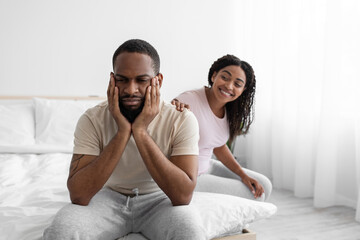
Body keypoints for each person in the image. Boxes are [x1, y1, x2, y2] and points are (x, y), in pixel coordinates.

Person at [43, 39, 206, 240]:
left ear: (158, 80)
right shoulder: (92, 119)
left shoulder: (181, 119)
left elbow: (182, 196)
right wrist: (122, 132)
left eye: (141, 80)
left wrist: (141, 132)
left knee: (190, 233)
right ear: (112, 79)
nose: (130, 90)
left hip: (159, 200)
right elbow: (79, 195)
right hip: (106, 197)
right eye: (122, 79)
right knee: (61, 232)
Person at [172, 54, 272, 201]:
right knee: (255, 194)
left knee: (265, 185)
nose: (229, 86)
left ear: (243, 90)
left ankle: (238, 224)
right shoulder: (188, 100)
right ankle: (236, 225)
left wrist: (243, 175)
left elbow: (218, 145)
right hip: (190, 176)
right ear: (214, 76)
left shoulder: (228, 110)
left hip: (207, 165)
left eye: (237, 84)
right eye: (225, 77)